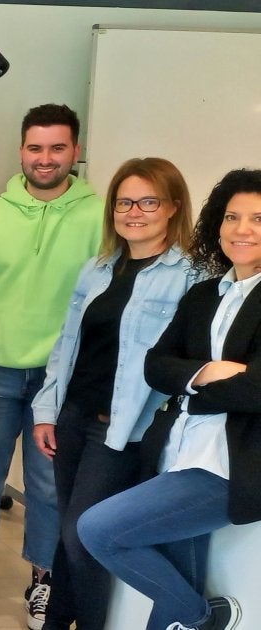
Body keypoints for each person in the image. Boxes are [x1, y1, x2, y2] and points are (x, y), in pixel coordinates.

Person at [0, 103, 105, 627]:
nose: (45, 158)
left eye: (57, 148)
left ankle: (43, 580)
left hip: (62, 380)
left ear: (75, 151)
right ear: (21, 151)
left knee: (49, 485)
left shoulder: (101, 218)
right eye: (36, 147)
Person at [77, 169, 261, 630]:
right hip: (178, 452)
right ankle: (195, 615)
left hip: (230, 465)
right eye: (232, 217)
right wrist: (208, 372)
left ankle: (203, 617)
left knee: (98, 529)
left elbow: (257, 389)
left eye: (258, 219)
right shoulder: (205, 294)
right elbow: (156, 365)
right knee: (179, 581)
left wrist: (193, 385)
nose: (242, 229)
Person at [29, 158, 197, 630]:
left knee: (84, 535)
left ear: (173, 207)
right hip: (73, 417)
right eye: (124, 203)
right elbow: (67, 344)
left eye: (148, 202)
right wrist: (47, 409)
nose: (133, 212)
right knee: (68, 531)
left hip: (123, 429)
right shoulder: (99, 267)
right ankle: (57, 622)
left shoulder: (191, 275)